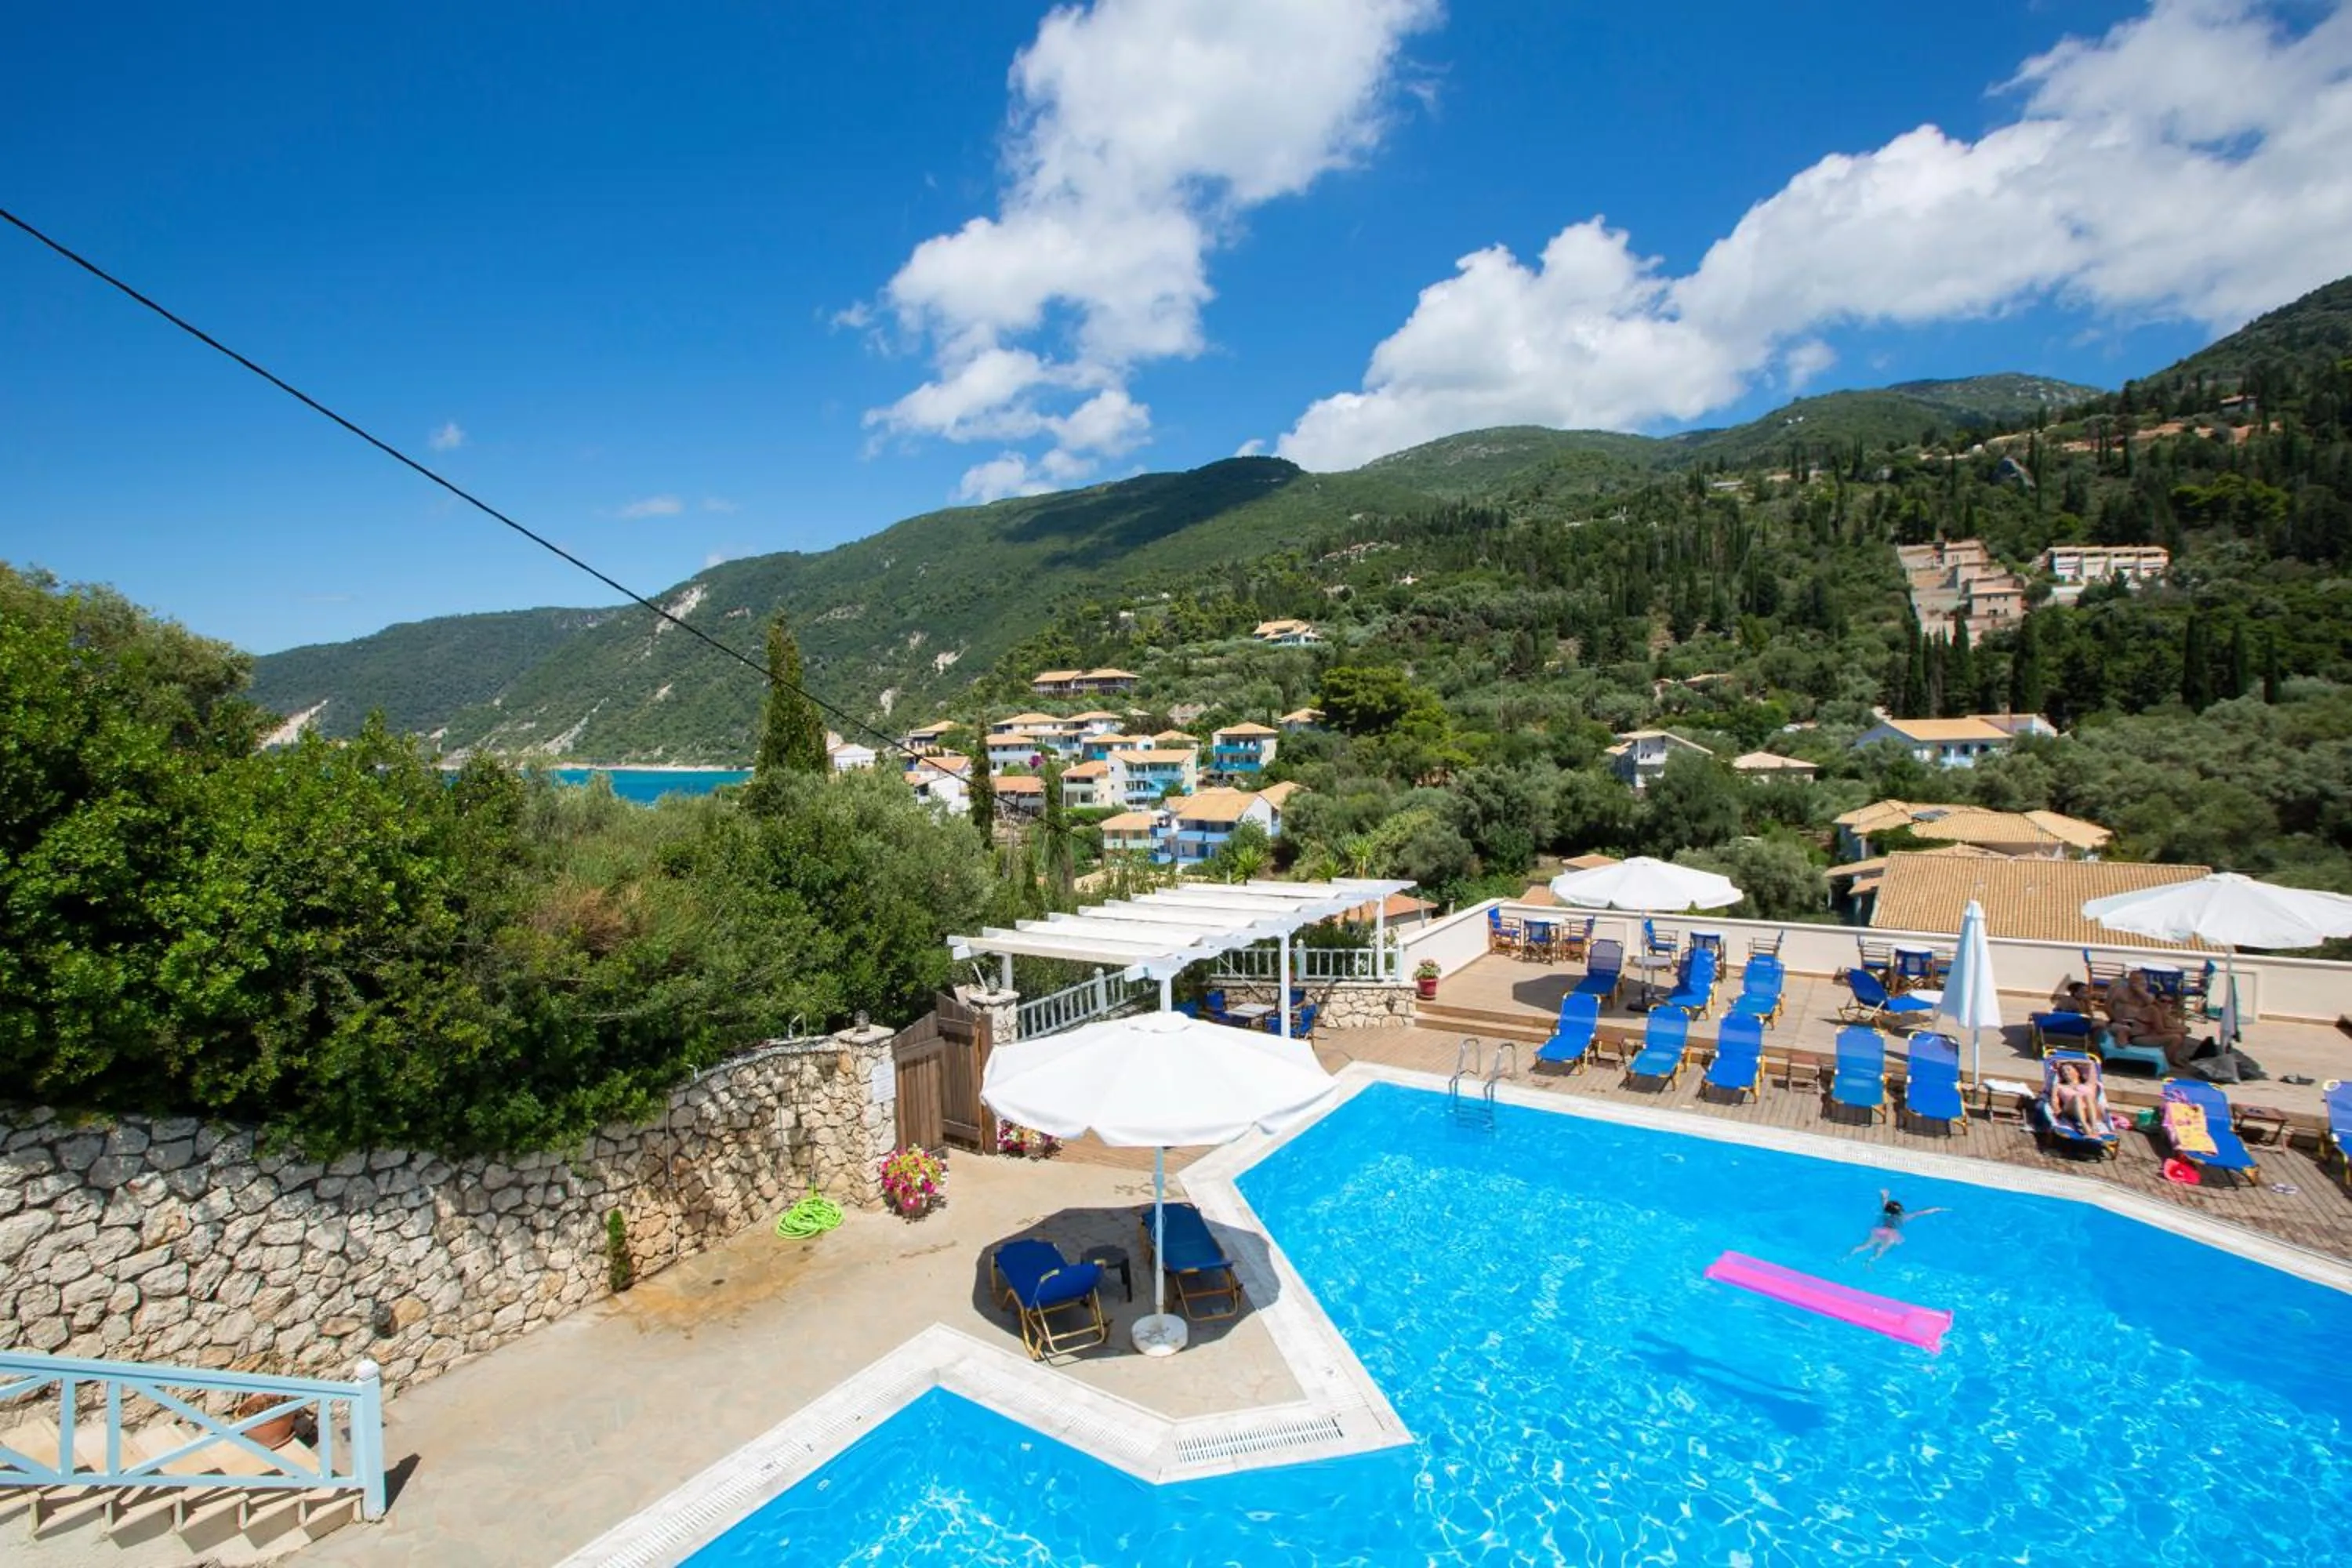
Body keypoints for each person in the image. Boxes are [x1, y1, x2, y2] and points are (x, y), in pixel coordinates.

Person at [2105, 974, 2191, 1068]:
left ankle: (2170, 1059)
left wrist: (2140, 991)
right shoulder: (2119, 991)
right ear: (2129, 981)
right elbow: (2107, 1007)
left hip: (2138, 1027)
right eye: (2163, 1001)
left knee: (2175, 1031)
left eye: (2169, 1002)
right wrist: (2116, 1019)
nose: (2166, 1004)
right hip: (2123, 1023)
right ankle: (2167, 1061)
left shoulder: (2148, 999)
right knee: (2176, 1036)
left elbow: (2152, 1003)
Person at [1849, 1190, 1945, 1263]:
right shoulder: (1904, 1217)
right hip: (1891, 1234)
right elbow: (1921, 1213)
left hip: (1879, 1231)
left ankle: (1847, 1257)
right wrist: (1936, 1209)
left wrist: (1884, 1196)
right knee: (1881, 1250)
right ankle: (1870, 1261)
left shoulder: (1885, 1212)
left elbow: (1885, 1203)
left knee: (1865, 1246)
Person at [2049, 1058, 2103, 1134]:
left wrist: (2065, 1061)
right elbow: (2054, 1100)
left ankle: (2094, 1126)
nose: (2065, 1072)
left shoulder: (2090, 1084)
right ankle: (2085, 1126)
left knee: (2087, 1096)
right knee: (2077, 1097)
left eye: (2068, 1070)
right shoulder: (2059, 1086)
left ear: (2077, 1072)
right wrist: (2057, 1110)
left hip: (2091, 1111)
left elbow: (2091, 1063)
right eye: (2063, 1071)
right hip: (2071, 1110)